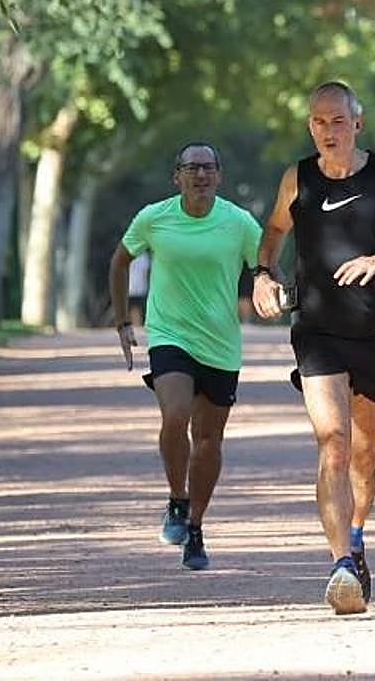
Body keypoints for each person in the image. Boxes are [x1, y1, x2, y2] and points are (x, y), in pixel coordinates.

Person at [253, 81, 375, 614]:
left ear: (357, 123)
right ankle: (341, 565)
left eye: (338, 121)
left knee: (365, 454)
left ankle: (356, 536)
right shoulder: (298, 177)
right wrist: (262, 275)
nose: (328, 131)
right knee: (333, 441)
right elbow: (273, 230)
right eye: (318, 122)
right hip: (316, 331)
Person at [108, 142, 262, 570]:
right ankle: (177, 499)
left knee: (209, 442)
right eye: (192, 168)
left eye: (208, 168)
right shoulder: (155, 218)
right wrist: (123, 322)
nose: (201, 175)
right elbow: (120, 261)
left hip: (220, 343)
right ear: (176, 175)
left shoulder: (239, 222)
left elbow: (263, 265)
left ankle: (195, 526)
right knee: (175, 416)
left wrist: (273, 289)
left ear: (219, 175)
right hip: (169, 334)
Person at [127, 251, 151, 327]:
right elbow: (146, 272)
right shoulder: (144, 256)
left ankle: (136, 325)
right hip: (139, 287)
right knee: (137, 308)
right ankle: (136, 324)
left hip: (132, 286)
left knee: (134, 308)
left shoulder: (128, 254)